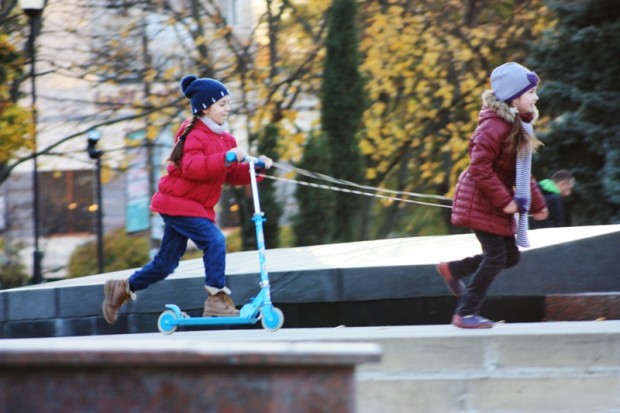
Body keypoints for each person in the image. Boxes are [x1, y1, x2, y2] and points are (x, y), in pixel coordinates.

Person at [102, 75, 273, 325]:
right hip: (178, 203)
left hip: (195, 206)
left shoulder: (226, 139)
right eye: (222, 104)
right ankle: (215, 299)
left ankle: (123, 288)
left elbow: (228, 174)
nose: (228, 108)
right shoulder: (192, 134)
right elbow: (193, 167)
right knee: (214, 240)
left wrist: (256, 168)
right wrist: (226, 157)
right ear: (205, 107)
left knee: (165, 264)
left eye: (228, 103)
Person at [435, 62, 549, 329]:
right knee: (496, 256)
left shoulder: (516, 126)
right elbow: (479, 168)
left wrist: (537, 205)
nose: (536, 98)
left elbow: (522, 171)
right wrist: (506, 201)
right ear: (513, 97)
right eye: (531, 92)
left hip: (493, 202)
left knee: (510, 257)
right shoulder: (493, 127)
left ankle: (453, 269)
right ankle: (465, 312)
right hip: (481, 200)